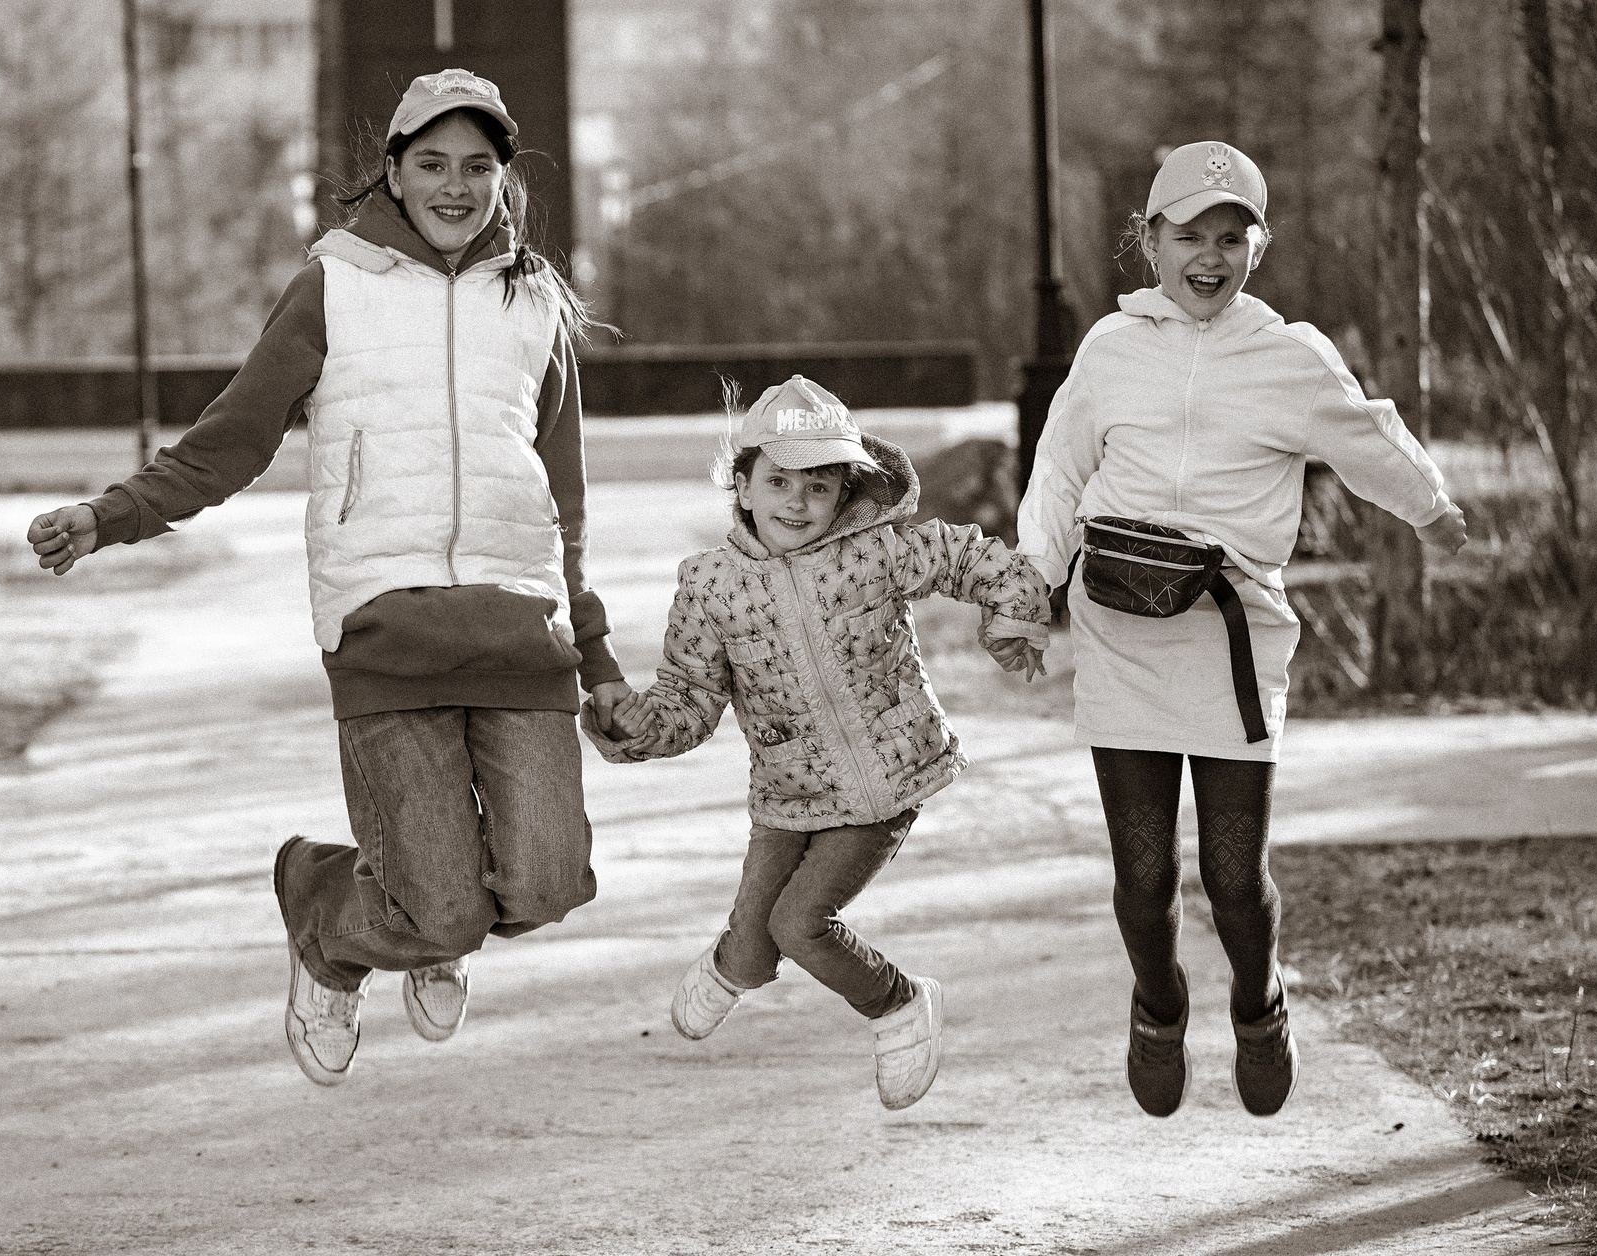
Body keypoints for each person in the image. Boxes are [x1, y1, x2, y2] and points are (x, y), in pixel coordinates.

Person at [25, 69, 637, 1087]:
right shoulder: (333, 284)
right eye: (431, 164)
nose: (455, 187)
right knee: (441, 905)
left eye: (477, 167)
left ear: (504, 177)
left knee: (545, 885)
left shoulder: (535, 302)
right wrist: (105, 517)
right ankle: (330, 915)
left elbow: (561, 505)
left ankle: (416, 898)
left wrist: (599, 654)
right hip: (383, 625)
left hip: (520, 634)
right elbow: (231, 440)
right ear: (390, 171)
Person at [1017, 141, 1470, 1119]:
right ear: (1147, 239)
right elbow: (1057, 471)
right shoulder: (1107, 348)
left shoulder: (1287, 355)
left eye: (1231, 235)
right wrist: (1028, 588)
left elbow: (1364, 436)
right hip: (1121, 627)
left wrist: (1430, 506)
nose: (1209, 255)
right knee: (1142, 878)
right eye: (1189, 234)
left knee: (1230, 875)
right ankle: (1156, 1004)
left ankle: (1258, 1005)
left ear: (1256, 246)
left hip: (1233, 632)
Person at [584, 376, 1048, 1110]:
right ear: (741, 485)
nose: (796, 503)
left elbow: (966, 558)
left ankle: (896, 1005)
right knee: (752, 943)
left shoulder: (875, 552)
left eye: (818, 486)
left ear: (844, 492)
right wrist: (635, 726)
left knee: (799, 923)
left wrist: (1015, 613)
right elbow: (689, 696)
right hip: (788, 796)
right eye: (777, 482)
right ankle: (735, 962)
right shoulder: (708, 586)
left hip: (883, 784)